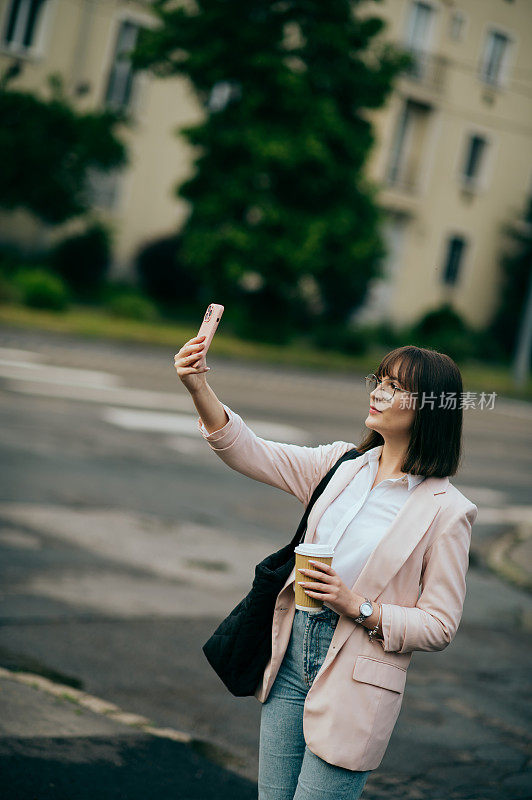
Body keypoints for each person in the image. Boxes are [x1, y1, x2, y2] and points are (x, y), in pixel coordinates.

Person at [173, 337, 478, 800]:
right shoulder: (342, 466)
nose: (377, 392)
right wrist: (198, 388)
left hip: (357, 677)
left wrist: (357, 606)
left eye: (394, 387)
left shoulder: (447, 511)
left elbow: (439, 625)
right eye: (379, 380)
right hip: (291, 655)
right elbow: (249, 451)